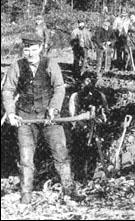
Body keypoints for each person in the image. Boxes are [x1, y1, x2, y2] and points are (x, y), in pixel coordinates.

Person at [2, 34, 79, 204]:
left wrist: (54, 108)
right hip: (25, 118)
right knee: (26, 158)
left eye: (33, 48)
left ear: (41, 48)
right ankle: (26, 194)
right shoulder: (16, 66)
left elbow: (59, 87)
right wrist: (11, 113)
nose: (30, 52)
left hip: (49, 118)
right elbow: (8, 90)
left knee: (61, 152)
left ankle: (70, 191)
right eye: (27, 49)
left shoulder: (50, 64)